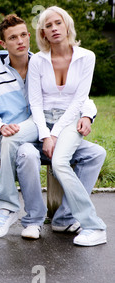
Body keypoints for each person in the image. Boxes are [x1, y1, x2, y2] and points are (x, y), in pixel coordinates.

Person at [0, 14, 106, 243]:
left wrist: (87, 114)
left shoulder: (42, 63)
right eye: (13, 38)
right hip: (23, 139)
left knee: (96, 154)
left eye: (23, 35)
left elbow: (72, 96)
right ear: (3, 44)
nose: (20, 41)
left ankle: (64, 218)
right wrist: (0, 127)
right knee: (24, 151)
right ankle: (27, 216)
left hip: (50, 130)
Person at [28, 6, 107, 246]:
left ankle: (94, 226)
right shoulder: (38, 61)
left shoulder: (86, 57)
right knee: (97, 153)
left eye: (57, 23)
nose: (53, 29)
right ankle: (63, 218)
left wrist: (56, 133)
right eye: (48, 26)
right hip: (43, 119)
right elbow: (35, 102)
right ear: (42, 33)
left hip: (70, 119)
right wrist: (45, 134)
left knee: (60, 161)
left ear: (67, 25)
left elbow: (79, 101)